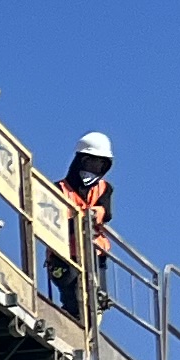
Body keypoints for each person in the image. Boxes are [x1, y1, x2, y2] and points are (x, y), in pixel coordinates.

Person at [40, 129, 113, 317]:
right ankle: (71, 320)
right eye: (91, 162)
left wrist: (94, 215)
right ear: (81, 160)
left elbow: (106, 212)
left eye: (100, 164)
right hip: (64, 256)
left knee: (95, 299)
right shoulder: (59, 189)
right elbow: (54, 221)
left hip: (94, 254)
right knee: (73, 298)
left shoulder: (104, 188)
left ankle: (89, 319)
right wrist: (80, 221)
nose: (94, 168)